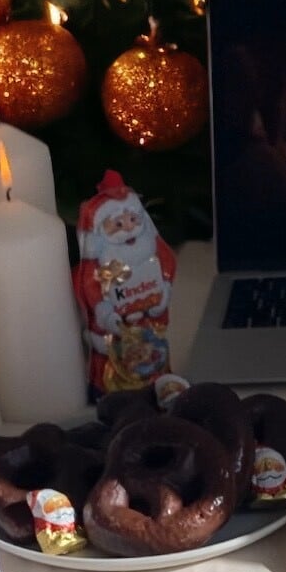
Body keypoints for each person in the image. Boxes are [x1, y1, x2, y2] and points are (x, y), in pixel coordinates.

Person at [72, 170, 177, 400]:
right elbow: (89, 287)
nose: (128, 228)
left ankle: (158, 382)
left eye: (132, 220)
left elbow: (168, 263)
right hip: (116, 329)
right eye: (117, 224)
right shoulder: (97, 262)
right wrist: (106, 313)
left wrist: (164, 290)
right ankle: (110, 393)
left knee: (153, 352)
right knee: (112, 357)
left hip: (150, 322)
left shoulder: (150, 245)